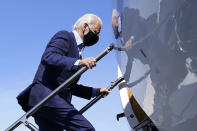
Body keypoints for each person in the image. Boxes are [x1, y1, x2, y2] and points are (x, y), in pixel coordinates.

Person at [17, 14, 110, 131]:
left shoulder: (78, 52)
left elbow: (68, 86)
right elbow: (48, 56)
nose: (97, 37)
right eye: (96, 32)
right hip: (46, 96)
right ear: (85, 27)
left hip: (50, 101)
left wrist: (94, 91)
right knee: (86, 129)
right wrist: (79, 62)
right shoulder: (66, 36)